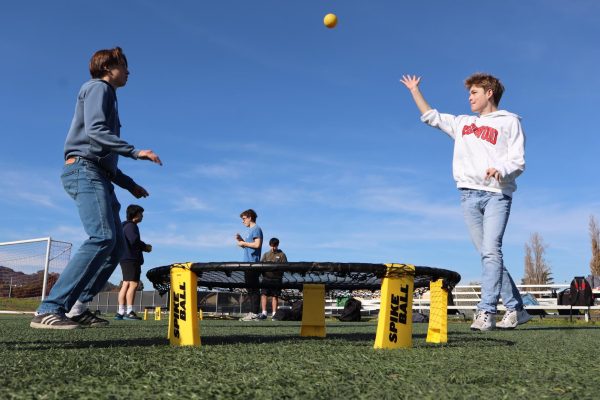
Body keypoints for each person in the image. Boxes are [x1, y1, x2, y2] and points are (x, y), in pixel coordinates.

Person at [31, 47, 162, 329]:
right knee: (102, 237)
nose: (129, 71)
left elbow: (105, 158)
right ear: (108, 67)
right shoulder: (97, 88)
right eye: (125, 65)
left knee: (114, 247)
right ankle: (49, 309)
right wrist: (135, 152)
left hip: (98, 173)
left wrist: (131, 185)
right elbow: (95, 132)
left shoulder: (110, 97)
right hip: (83, 170)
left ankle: (78, 307)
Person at [400, 73, 531, 331]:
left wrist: (501, 169)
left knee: (492, 252)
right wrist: (414, 91)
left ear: (489, 93)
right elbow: (432, 117)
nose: (469, 97)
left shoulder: (509, 121)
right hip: (468, 195)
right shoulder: (462, 123)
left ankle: (486, 312)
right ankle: (516, 309)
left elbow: (518, 160)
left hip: (497, 194)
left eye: (474, 92)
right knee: (488, 255)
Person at [114, 204, 152, 321]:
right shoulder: (132, 226)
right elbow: (134, 240)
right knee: (134, 284)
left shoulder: (123, 226)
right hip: (131, 258)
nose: (142, 216)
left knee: (125, 284)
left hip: (124, 257)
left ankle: (120, 312)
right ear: (135, 215)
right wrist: (145, 246)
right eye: (141, 214)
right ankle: (130, 311)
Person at [235, 209, 263, 321]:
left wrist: (243, 242)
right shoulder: (250, 231)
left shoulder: (256, 229)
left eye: (244, 219)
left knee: (254, 289)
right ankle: (252, 313)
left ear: (250, 217)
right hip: (247, 263)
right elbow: (248, 246)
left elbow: (257, 245)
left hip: (253, 264)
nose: (243, 221)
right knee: (250, 289)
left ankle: (255, 313)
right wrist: (241, 240)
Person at [260, 237, 288, 320]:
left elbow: (285, 267)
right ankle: (264, 313)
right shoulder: (265, 254)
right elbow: (261, 265)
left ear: (278, 245)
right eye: (272, 246)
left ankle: (274, 314)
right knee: (264, 294)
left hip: (277, 279)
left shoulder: (282, 255)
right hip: (266, 278)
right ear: (270, 245)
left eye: (275, 246)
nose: (273, 247)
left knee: (275, 296)